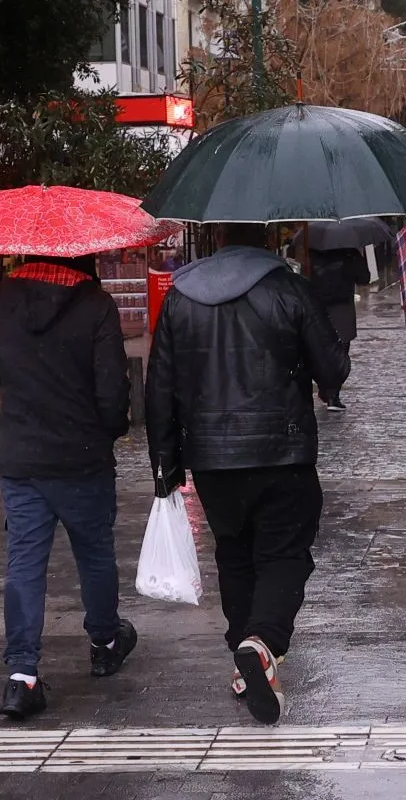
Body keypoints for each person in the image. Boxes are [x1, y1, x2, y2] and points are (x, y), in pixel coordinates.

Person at [146, 223, 350, 726]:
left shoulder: (180, 297)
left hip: (211, 459)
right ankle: (262, 643)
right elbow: (333, 370)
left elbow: (160, 387)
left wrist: (165, 464)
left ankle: (245, 657)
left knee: (234, 554)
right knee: (285, 555)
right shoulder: (290, 288)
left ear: (217, 236)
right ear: (268, 235)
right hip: (282, 453)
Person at [0, 253, 136, 721]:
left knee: (24, 562)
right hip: (82, 458)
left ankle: (22, 676)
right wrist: (110, 431)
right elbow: (112, 393)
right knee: (94, 553)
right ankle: (104, 643)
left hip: (21, 459)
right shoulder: (96, 305)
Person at [308, 246, 371, 410]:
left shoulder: (312, 251)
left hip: (317, 306)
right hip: (342, 307)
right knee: (340, 350)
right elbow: (364, 278)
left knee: (319, 349)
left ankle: (326, 389)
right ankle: (332, 394)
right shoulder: (350, 252)